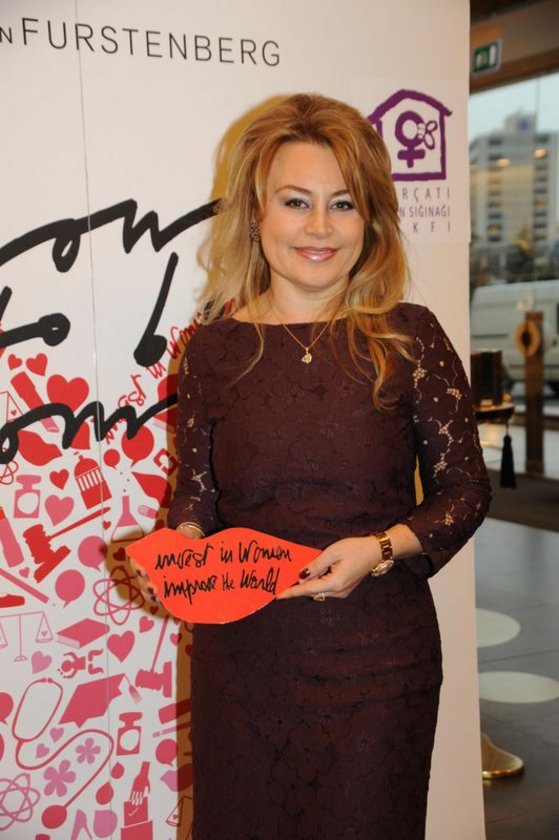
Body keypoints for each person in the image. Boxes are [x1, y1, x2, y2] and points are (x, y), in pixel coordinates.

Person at [153, 93, 491, 839]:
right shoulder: (213, 349)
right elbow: (197, 494)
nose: (319, 227)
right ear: (256, 214)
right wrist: (178, 549)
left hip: (378, 664)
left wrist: (379, 549)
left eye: (342, 204)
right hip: (244, 661)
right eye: (295, 201)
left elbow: (466, 490)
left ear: (369, 219)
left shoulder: (409, 336)